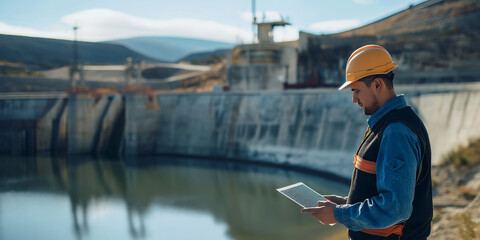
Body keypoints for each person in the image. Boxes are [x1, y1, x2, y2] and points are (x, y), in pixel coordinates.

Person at [302, 44, 432, 240]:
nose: (354, 99)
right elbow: (385, 193)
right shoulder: (386, 124)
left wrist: (338, 214)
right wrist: (347, 203)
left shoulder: (396, 131)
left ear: (378, 85)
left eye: (356, 90)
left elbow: (395, 209)